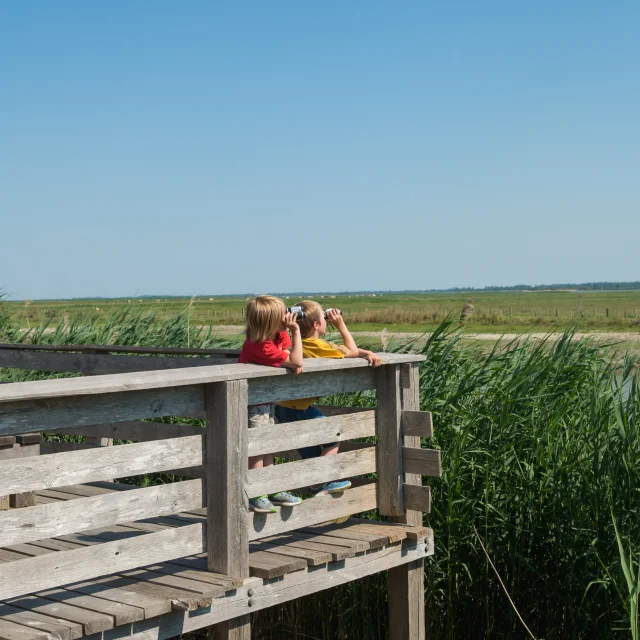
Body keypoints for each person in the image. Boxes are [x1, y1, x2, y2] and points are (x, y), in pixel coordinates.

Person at [275, 300, 382, 495]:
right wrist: (340, 324)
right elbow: (351, 351)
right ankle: (322, 481)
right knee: (334, 436)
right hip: (298, 410)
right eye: (324, 318)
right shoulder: (317, 345)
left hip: (283, 407)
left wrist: (367, 353)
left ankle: (319, 486)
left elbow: (351, 352)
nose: (327, 320)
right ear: (316, 325)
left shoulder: (298, 343)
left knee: (312, 451)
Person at [238, 295, 304, 513]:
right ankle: (257, 493)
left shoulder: (275, 335)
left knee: (268, 445)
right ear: (269, 322)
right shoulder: (260, 345)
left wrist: (289, 348)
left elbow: (288, 353)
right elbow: (295, 361)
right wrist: (296, 331)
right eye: (282, 316)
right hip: (252, 402)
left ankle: (270, 487)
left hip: (266, 400)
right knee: (257, 448)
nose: (287, 317)